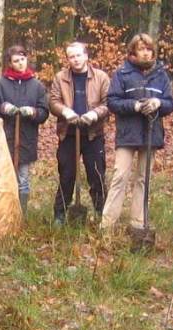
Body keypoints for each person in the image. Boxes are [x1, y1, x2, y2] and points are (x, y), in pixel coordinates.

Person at [102, 34, 173, 233]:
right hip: (127, 133)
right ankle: (107, 224)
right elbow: (112, 102)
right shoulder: (122, 73)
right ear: (133, 51)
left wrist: (158, 103)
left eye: (148, 49)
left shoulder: (161, 75)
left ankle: (138, 223)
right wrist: (134, 105)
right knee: (120, 176)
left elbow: (170, 104)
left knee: (143, 178)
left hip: (151, 133)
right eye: (141, 48)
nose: (145, 52)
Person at [48, 42, 110, 225]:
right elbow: (53, 101)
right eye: (71, 57)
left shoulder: (101, 77)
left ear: (86, 56)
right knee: (66, 175)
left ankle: (101, 215)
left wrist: (94, 114)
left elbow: (109, 103)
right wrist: (65, 112)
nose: (75, 60)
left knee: (97, 176)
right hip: (68, 134)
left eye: (78, 55)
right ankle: (59, 215)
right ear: (67, 59)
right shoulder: (61, 78)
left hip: (93, 135)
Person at [0, 45, 49, 214]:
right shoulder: (0, 85)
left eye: (22, 59)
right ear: (10, 63)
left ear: (26, 59)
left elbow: (44, 113)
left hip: (26, 139)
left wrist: (33, 112)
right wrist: (2, 108)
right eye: (16, 61)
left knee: (23, 179)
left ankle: (21, 215)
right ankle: (5, 213)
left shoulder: (37, 86)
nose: (20, 63)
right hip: (4, 139)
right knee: (4, 178)